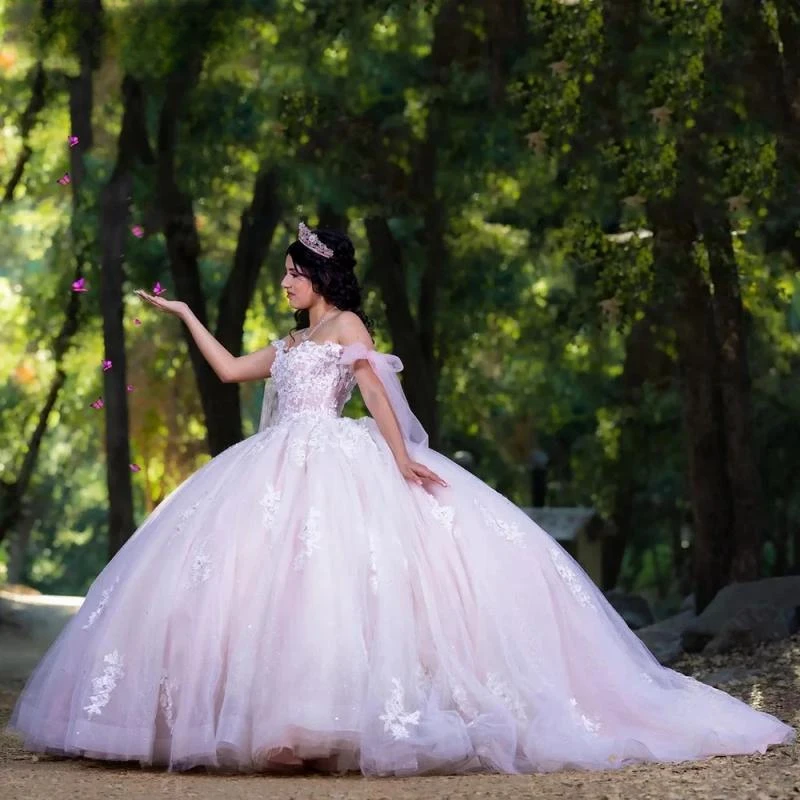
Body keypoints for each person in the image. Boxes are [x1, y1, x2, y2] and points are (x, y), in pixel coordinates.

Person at [6, 223, 794, 777]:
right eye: (283, 271)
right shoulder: (285, 345)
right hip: (274, 467)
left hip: (334, 460)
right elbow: (226, 373)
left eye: (290, 272)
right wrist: (184, 315)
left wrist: (401, 460)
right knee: (266, 595)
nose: (283, 282)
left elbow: (378, 393)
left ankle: (317, 729)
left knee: (336, 593)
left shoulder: (348, 321)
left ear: (320, 276)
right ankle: (277, 726)